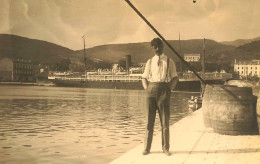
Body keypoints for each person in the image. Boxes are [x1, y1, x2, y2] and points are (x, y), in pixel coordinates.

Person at [141, 38, 178, 156]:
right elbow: (144, 77)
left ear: (162, 47)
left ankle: (166, 148)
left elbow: (175, 77)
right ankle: (146, 148)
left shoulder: (169, 61)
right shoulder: (150, 62)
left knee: (165, 122)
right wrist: (147, 89)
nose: (156, 49)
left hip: (164, 91)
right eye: (154, 47)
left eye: (158, 47)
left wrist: (169, 89)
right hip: (151, 91)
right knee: (149, 122)